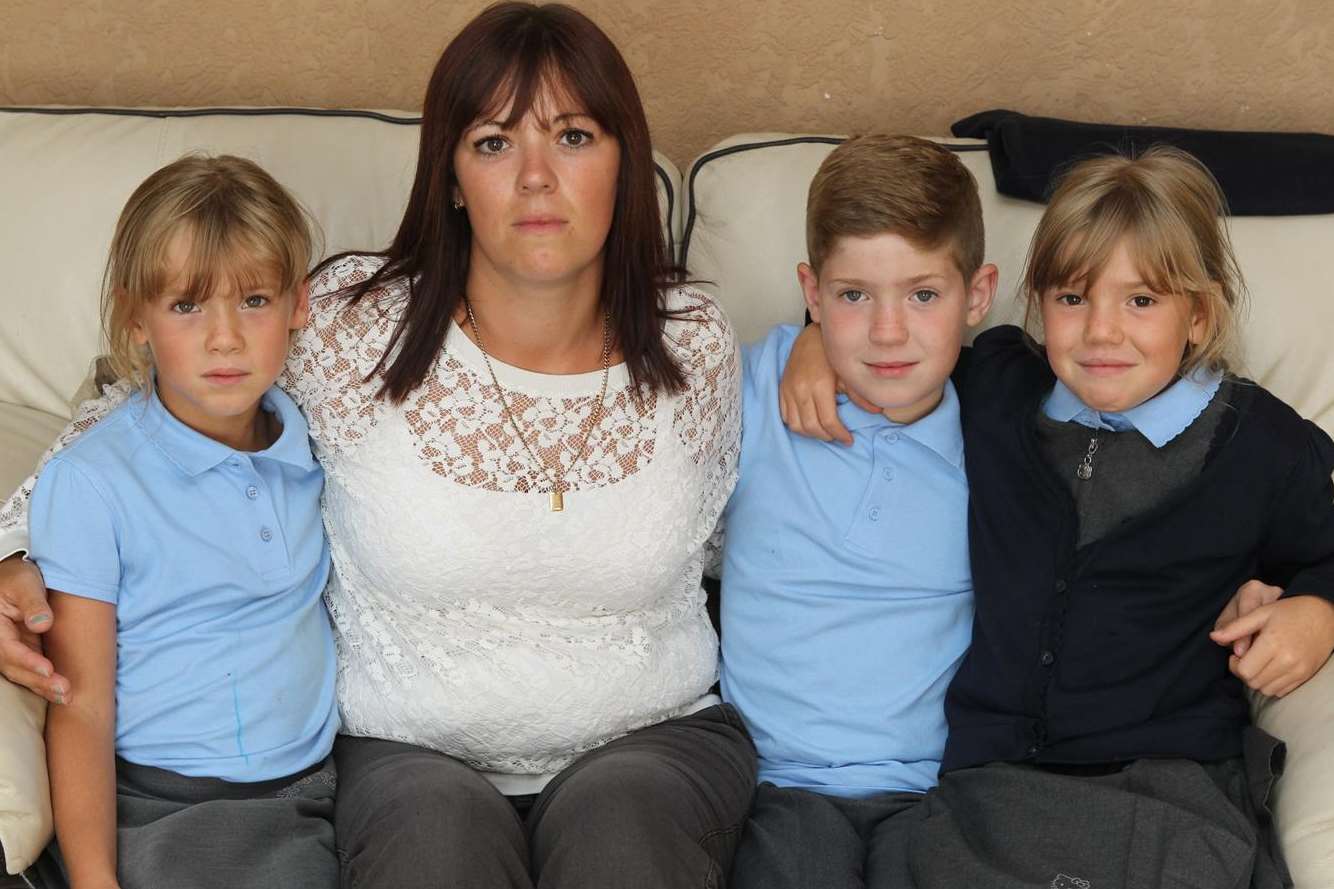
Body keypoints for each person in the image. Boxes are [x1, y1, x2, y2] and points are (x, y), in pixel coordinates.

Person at [0, 4, 755, 888]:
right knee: (437, 854)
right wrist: (16, 551)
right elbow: (144, 415)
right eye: (494, 143)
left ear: (624, 161)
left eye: (575, 135)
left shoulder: (695, 340)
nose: (537, 177)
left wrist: (820, 337)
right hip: (404, 750)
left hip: (654, 738)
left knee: (621, 846)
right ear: (449, 177)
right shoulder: (355, 327)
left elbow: (733, 538)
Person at [779, 146, 1334, 887]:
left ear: (1197, 314)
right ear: (1037, 304)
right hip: (988, 786)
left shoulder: (1261, 445)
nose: (1102, 332)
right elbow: (889, 337)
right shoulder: (998, 385)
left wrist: (1318, 607)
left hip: (1166, 782)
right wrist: (811, 341)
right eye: (1073, 298)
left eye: (1141, 301)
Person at [28, 155, 338, 889]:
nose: (225, 338)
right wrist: (95, 879)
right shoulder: (94, 482)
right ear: (135, 316)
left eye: (255, 301)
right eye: (187, 306)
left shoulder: (320, 440)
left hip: (319, 790)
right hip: (174, 804)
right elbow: (82, 707)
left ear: (299, 305)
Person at [717, 134, 995, 889]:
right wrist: (808, 343)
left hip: (937, 787)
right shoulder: (750, 391)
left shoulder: (1006, 426)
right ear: (811, 292)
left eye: (923, 294)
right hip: (778, 784)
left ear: (978, 294)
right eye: (852, 296)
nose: (887, 331)